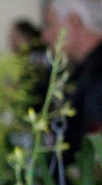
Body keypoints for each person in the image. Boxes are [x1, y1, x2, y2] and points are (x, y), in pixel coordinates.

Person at [42, 0, 102, 168]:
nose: (45, 36)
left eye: (50, 24)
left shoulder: (97, 76)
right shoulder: (83, 71)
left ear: (75, 21)